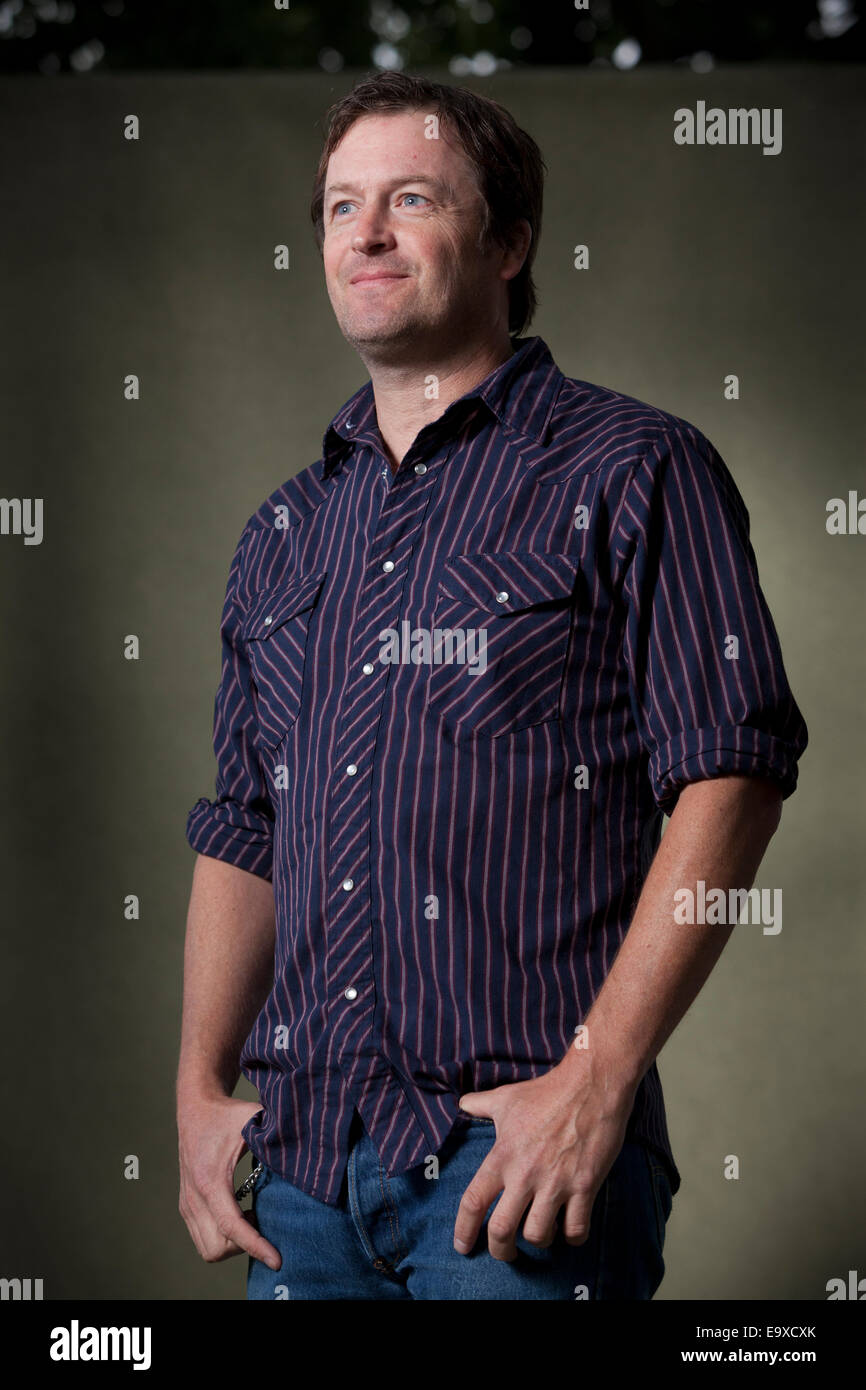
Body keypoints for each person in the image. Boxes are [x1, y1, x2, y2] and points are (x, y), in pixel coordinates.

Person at [176, 71, 808, 1301]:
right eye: (339, 206)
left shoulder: (635, 468)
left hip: (513, 1161)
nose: (363, 233)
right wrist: (198, 1094)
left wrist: (598, 1078)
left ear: (508, 241)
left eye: (409, 198)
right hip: (301, 1177)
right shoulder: (283, 533)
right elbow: (245, 827)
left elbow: (729, 775)